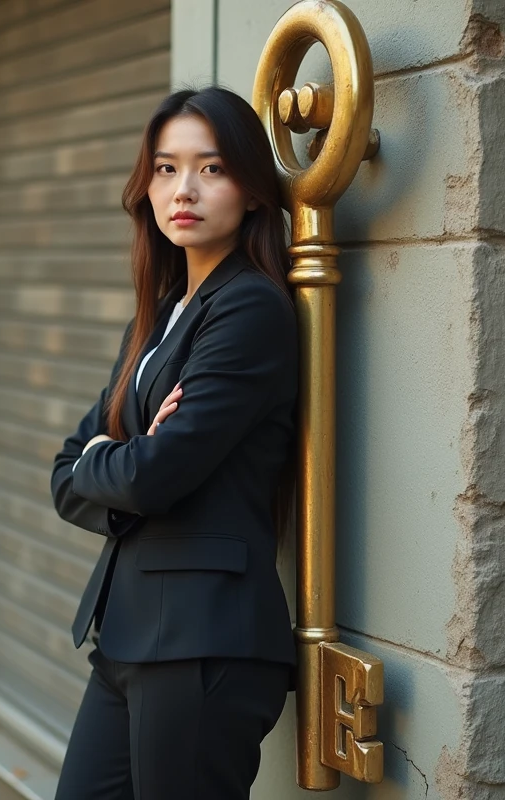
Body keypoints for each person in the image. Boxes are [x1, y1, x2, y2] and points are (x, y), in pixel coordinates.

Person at [49, 86, 300, 800]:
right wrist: (110, 458)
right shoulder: (162, 314)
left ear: (251, 190)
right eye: (166, 168)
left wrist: (111, 459)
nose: (183, 189)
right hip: (130, 633)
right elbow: (65, 473)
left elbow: (153, 476)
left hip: (203, 639)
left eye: (211, 168)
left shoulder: (250, 307)